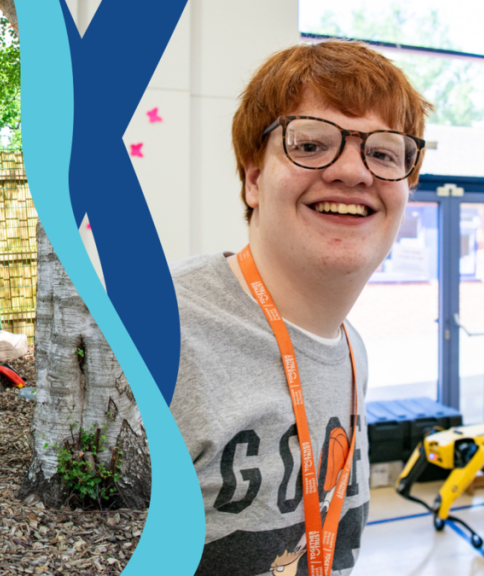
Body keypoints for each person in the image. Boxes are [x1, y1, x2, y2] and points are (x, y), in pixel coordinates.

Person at [169, 41, 432, 576]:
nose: (354, 172)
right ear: (253, 179)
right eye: (311, 145)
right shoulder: (156, 336)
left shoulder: (351, 349)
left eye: (384, 153)